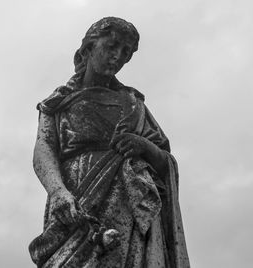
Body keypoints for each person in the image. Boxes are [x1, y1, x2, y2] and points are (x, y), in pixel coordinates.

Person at [29, 17, 190, 268]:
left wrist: (144, 146)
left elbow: (165, 162)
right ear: (88, 48)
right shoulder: (58, 102)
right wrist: (58, 190)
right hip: (76, 198)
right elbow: (43, 150)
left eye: (125, 53)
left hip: (129, 204)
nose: (117, 57)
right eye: (112, 46)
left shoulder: (133, 104)